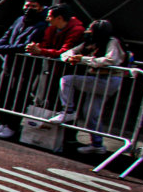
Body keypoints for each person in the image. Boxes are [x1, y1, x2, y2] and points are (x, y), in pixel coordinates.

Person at [48, 19, 128, 157]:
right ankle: (97, 145)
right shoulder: (91, 42)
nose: (88, 32)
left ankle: (68, 110)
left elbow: (110, 60)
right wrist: (70, 58)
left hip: (108, 80)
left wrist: (83, 60)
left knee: (67, 80)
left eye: (91, 29)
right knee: (91, 113)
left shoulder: (112, 41)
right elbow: (69, 52)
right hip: (98, 79)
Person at [0, 0, 48, 139]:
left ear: (40, 8)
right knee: (0, 92)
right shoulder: (19, 20)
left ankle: (12, 126)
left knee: (18, 97)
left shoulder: (41, 25)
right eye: (27, 6)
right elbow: (7, 36)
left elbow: (25, 46)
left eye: (33, 6)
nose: (29, 9)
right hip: (8, 64)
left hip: (25, 68)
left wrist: (0, 49)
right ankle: (3, 123)